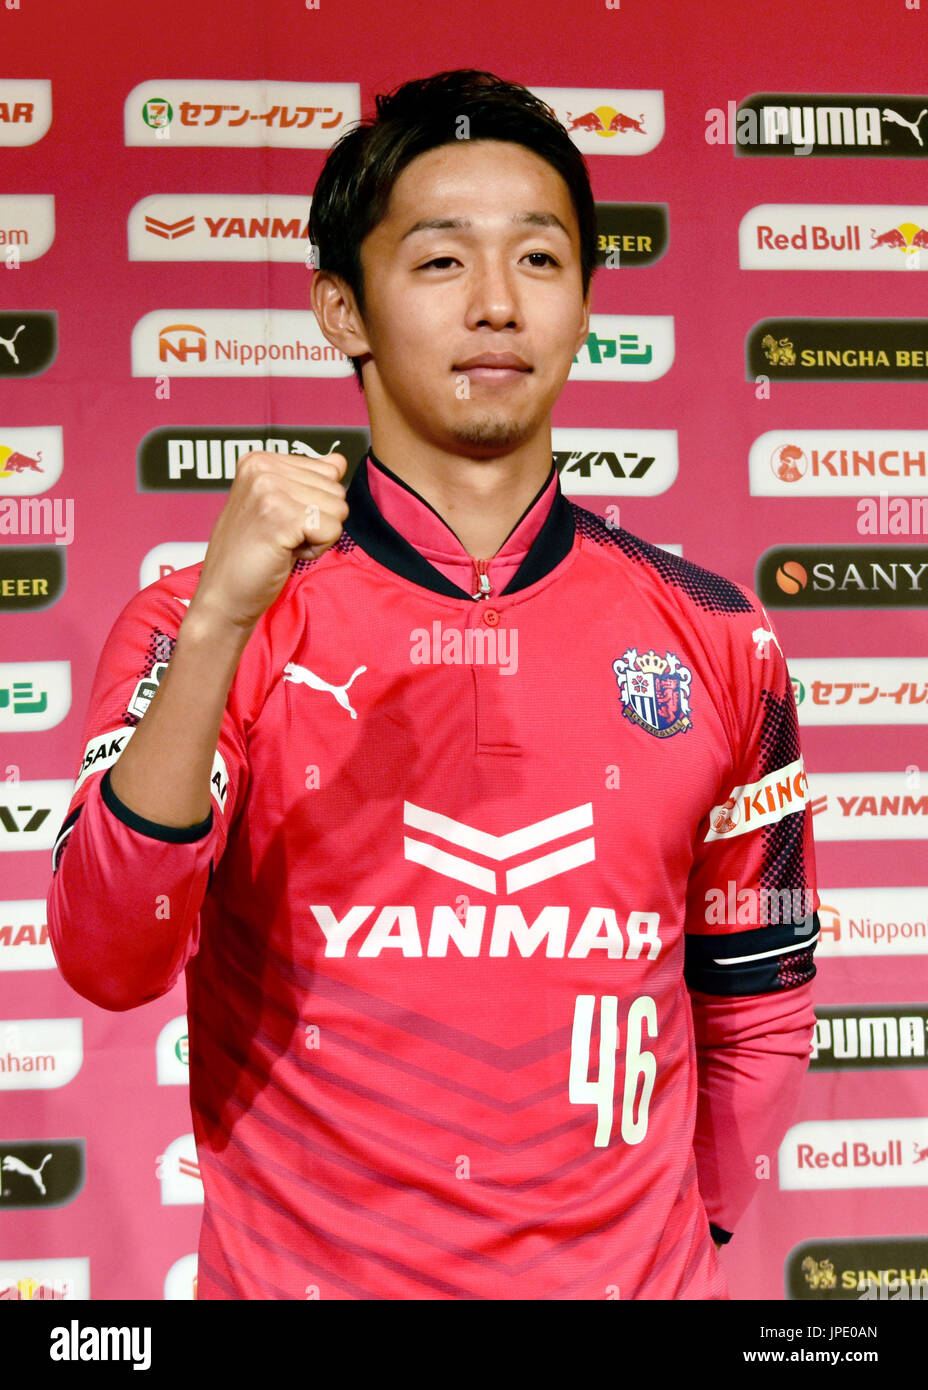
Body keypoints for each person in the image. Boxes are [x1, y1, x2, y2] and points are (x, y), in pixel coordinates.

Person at [47, 68, 819, 1300]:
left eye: (541, 261)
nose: (499, 305)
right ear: (341, 311)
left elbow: (759, 1012)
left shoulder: (717, 633)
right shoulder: (208, 623)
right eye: (443, 263)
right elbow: (108, 954)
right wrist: (216, 628)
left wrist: (685, 1254)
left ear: (583, 305)